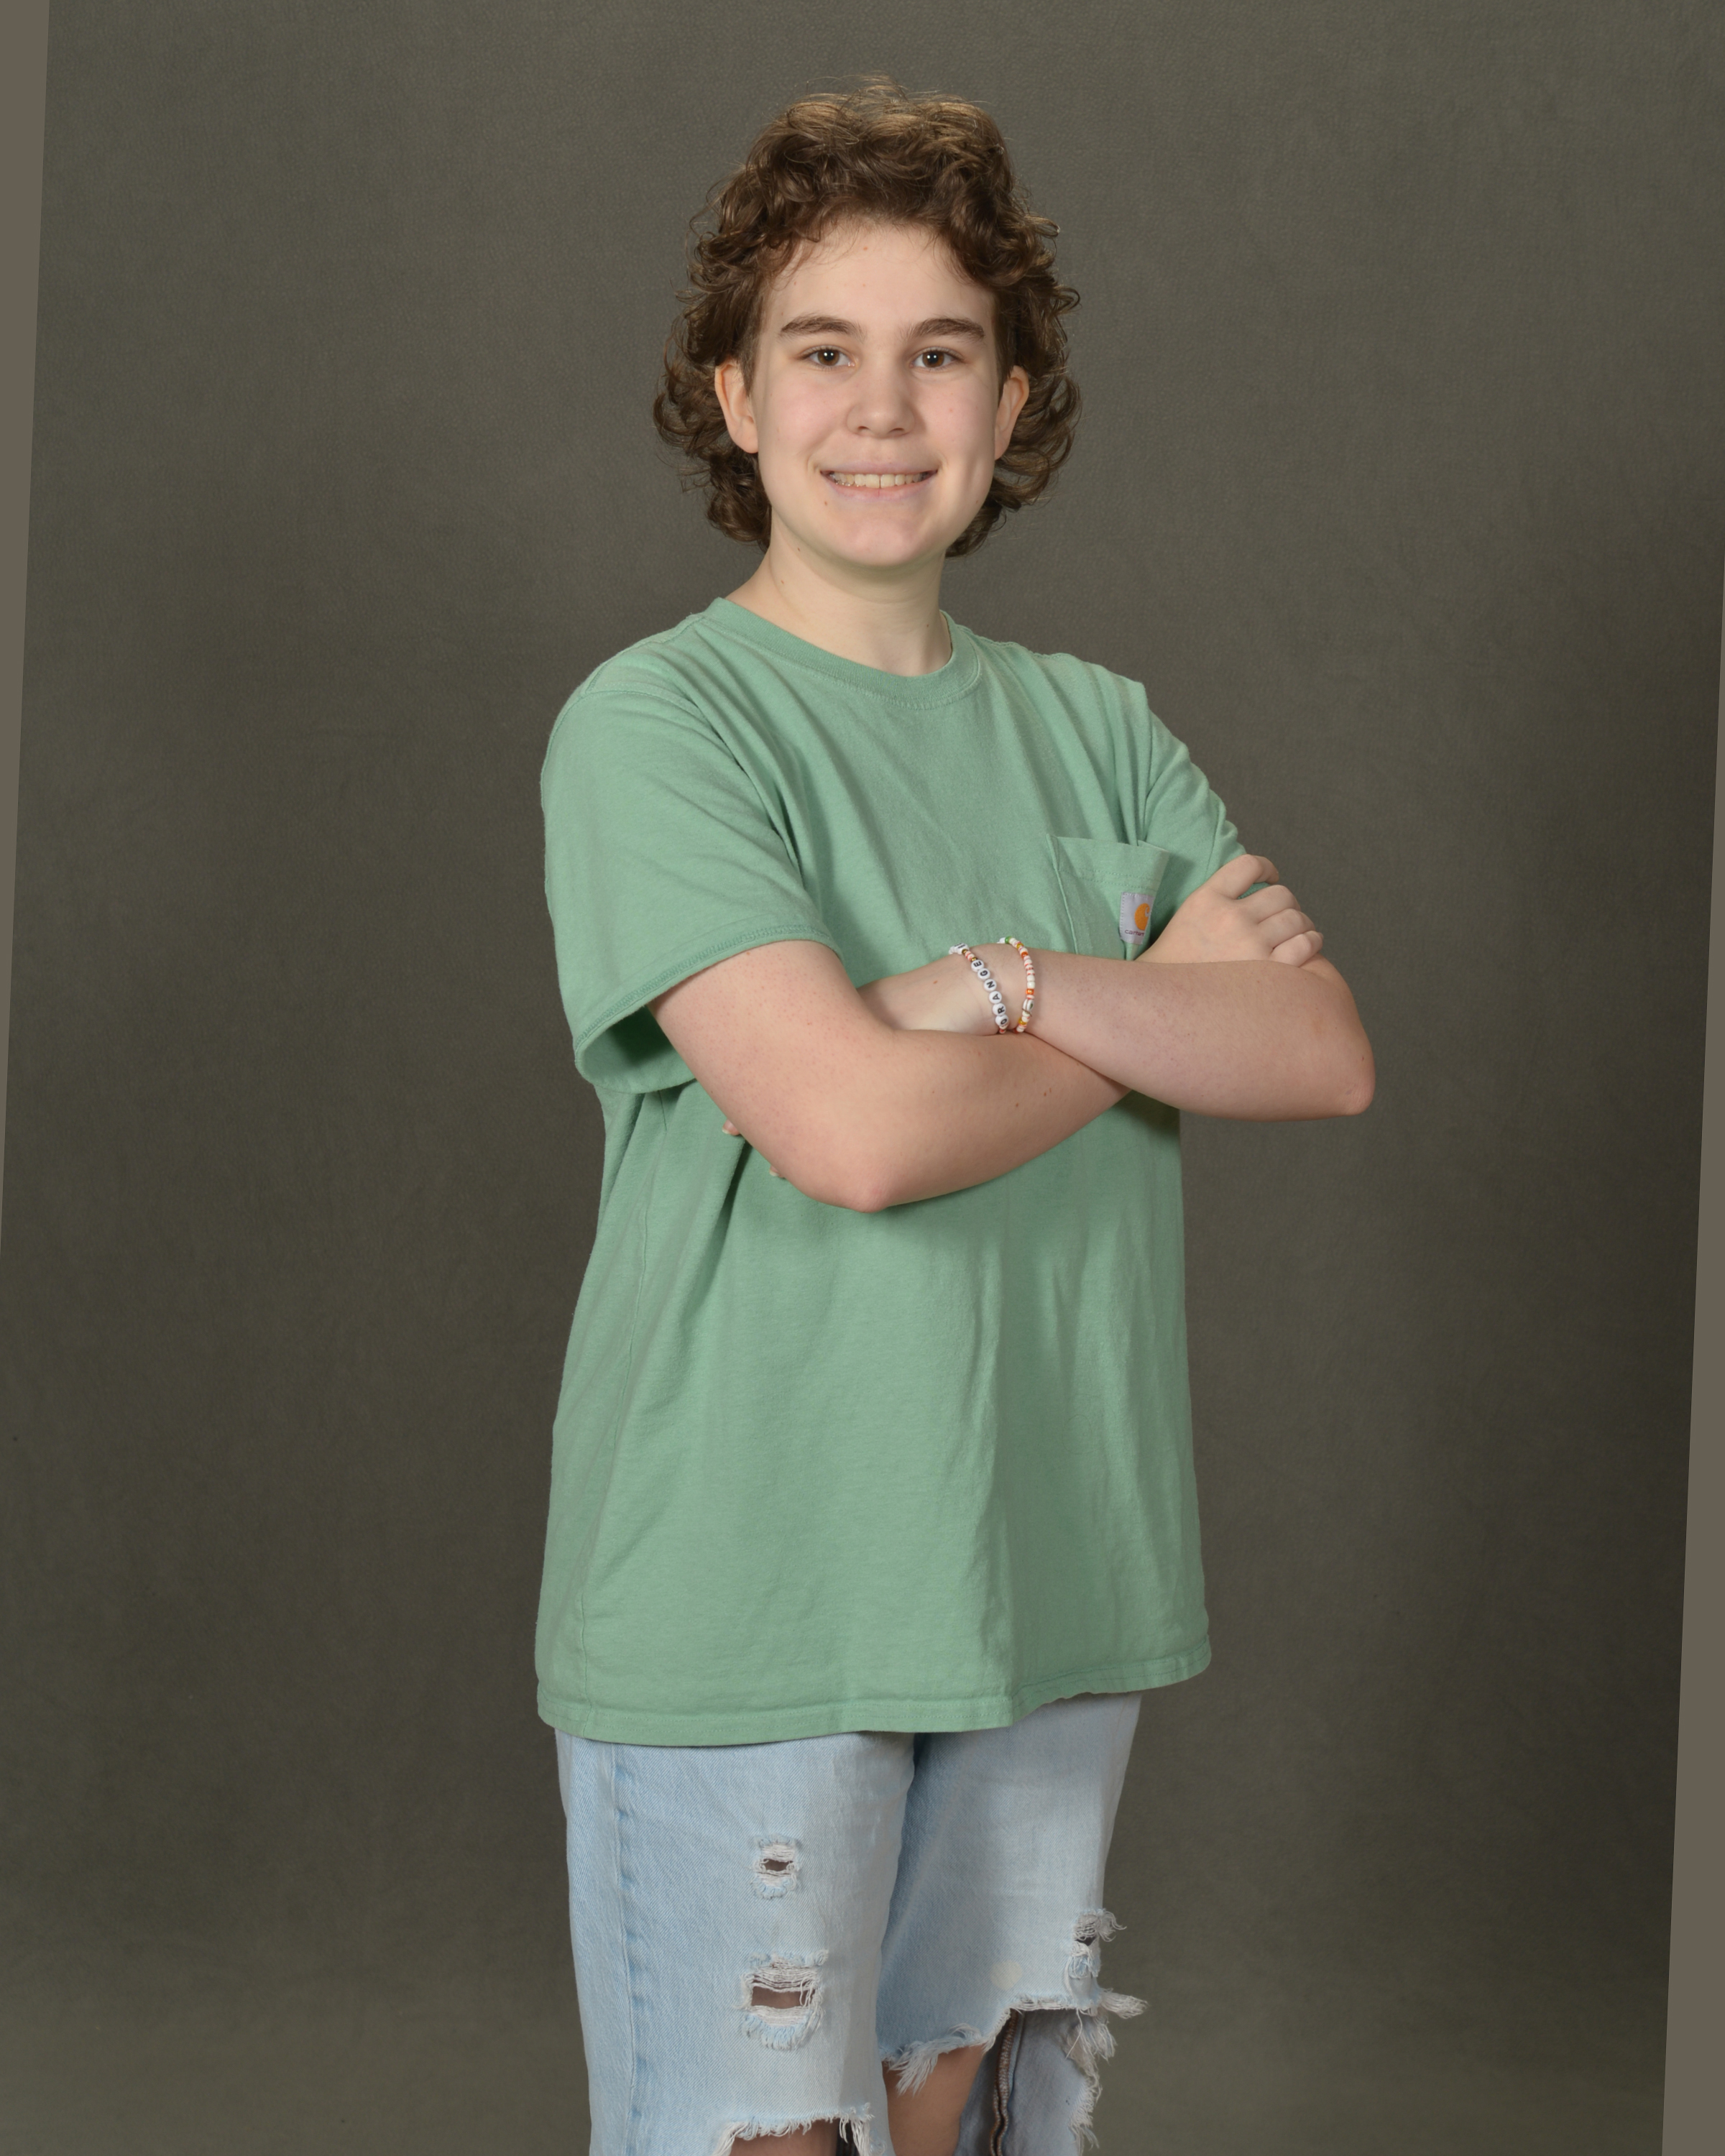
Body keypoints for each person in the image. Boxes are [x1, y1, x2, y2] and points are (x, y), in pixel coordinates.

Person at [537, 80, 1374, 2156]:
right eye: (823, 350)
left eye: (943, 353)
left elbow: (1318, 1048)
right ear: (737, 396)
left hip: (1046, 1576)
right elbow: (855, 1131)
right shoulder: (660, 724)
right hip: (751, 1593)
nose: (884, 410)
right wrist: (1151, 1005)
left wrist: (995, 989)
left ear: (1010, 404)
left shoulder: (1099, 727)